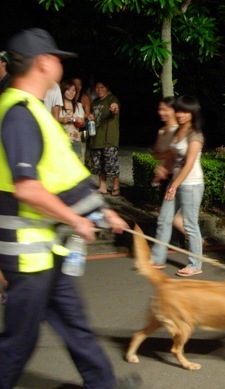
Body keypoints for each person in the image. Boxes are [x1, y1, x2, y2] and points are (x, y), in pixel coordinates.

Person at [0, 27, 141, 389]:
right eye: (57, 58)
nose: (60, 64)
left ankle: (103, 385)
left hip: (50, 248)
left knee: (75, 325)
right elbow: (28, 187)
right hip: (30, 256)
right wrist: (76, 219)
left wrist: (101, 212)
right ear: (44, 62)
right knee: (19, 343)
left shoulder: (34, 109)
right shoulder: (19, 113)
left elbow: (63, 177)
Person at [151, 95, 205, 277]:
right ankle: (157, 258)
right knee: (164, 219)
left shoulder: (195, 135)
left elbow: (189, 164)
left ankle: (195, 263)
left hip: (191, 184)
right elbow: (171, 156)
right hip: (176, 181)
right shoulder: (177, 132)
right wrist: (162, 168)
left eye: (185, 111)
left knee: (190, 224)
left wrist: (173, 185)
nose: (181, 114)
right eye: (179, 110)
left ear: (192, 113)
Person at [150, 97, 186, 251]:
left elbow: (173, 155)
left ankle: (196, 240)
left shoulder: (177, 131)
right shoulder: (162, 130)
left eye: (165, 109)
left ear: (174, 110)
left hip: (174, 176)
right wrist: (161, 166)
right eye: (160, 109)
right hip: (165, 175)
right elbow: (156, 153)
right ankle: (179, 241)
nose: (161, 112)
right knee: (171, 214)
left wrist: (163, 168)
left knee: (170, 215)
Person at [88, 79, 121, 196]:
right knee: (98, 164)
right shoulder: (95, 102)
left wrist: (114, 108)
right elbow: (92, 115)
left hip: (109, 138)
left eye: (102, 87)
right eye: (97, 87)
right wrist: (90, 116)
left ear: (107, 88)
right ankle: (103, 186)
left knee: (111, 163)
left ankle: (116, 186)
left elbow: (115, 107)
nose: (99, 90)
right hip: (97, 137)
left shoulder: (112, 98)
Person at [58, 79, 85, 159]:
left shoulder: (78, 106)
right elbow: (51, 120)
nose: (71, 93)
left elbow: (82, 123)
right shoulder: (58, 106)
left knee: (76, 163)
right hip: (61, 139)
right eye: (68, 90)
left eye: (73, 90)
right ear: (63, 91)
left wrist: (79, 121)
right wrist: (62, 120)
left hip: (75, 139)